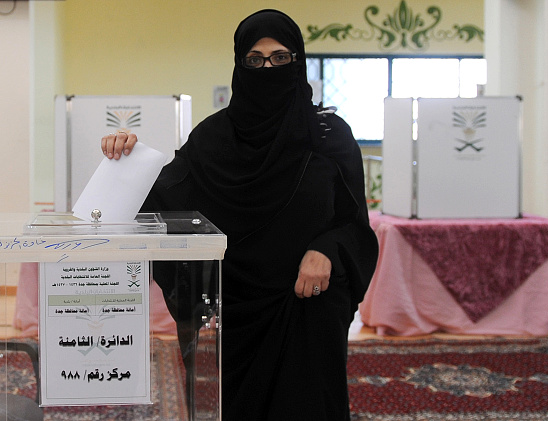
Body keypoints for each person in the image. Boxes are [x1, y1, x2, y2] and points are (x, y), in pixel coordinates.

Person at [101, 9, 378, 421]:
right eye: (255, 59)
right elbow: (160, 197)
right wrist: (125, 157)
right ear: (239, 65)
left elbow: (354, 223)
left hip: (307, 300)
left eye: (280, 57)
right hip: (233, 308)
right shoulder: (212, 138)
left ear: (297, 61)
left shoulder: (328, 135)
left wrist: (328, 248)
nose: (268, 68)